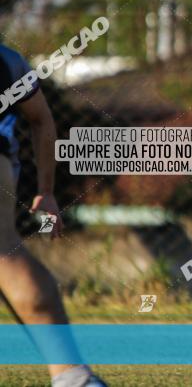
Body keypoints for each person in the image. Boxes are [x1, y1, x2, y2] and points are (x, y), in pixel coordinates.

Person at [0, 44, 106, 387]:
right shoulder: (8, 60)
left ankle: (72, 375)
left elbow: (41, 119)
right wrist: (45, 192)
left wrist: (45, 191)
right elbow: (42, 118)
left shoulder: (8, 61)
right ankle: (71, 375)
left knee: (4, 256)